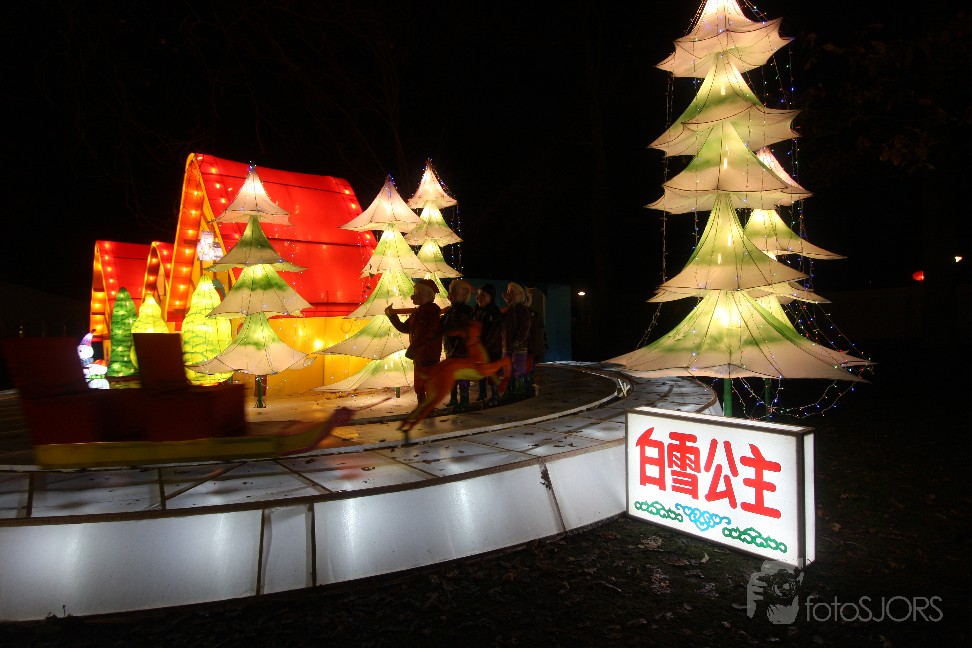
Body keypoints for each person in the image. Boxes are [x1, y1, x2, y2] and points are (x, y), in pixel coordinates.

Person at [385, 279, 441, 406]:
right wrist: (392, 316)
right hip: (419, 356)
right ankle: (422, 405)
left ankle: (429, 407)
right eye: (415, 292)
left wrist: (414, 348)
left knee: (428, 382)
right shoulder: (418, 313)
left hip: (429, 355)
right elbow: (405, 328)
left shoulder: (431, 313)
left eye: (418, 293)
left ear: (429, 295)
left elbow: (428, 334)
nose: (414, 296)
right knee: (419, 383)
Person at [440, 279, 475, 411]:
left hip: (462, 351)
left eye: (455, 291)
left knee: (462, 376)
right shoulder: (450, 311)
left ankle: (464, 401)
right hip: (450, 349)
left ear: (465, 293)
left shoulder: (466, 311)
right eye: (451, 291)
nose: (451, 294)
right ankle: (454, 399)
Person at [500, 281, 532, 400]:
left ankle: (519, 391)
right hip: (506, 346)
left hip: (519, 347)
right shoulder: (507, 310)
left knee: (519, 369)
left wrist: (518, 341)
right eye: (508, 291)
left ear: (521, 294)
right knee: (507, 370)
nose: (509, 294)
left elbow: (525, 328)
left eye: (513, 292)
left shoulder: (523, 310)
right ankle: (509, 391)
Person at [472, 283, 503, 404]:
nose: (479, 298)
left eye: (483, 295)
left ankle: (495, 395)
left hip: (492, 349)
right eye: (478, 294)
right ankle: (482, 393)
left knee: (492, 372)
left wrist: (485, 347)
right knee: (481, 372)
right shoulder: (477, 311)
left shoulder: (494, 313)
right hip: (480, 348)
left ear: (491, 296)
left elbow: (494, 333)